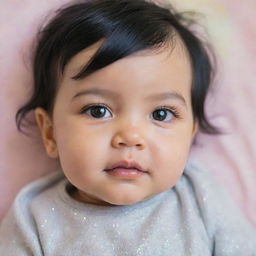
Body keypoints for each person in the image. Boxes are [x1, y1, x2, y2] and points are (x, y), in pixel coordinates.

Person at [0, 0, 255, 255]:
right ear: (50, 132)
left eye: (161, 113)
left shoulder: (201, 196)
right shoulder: (33, 217)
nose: (131, 137)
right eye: (98, 111)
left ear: (190, 135)